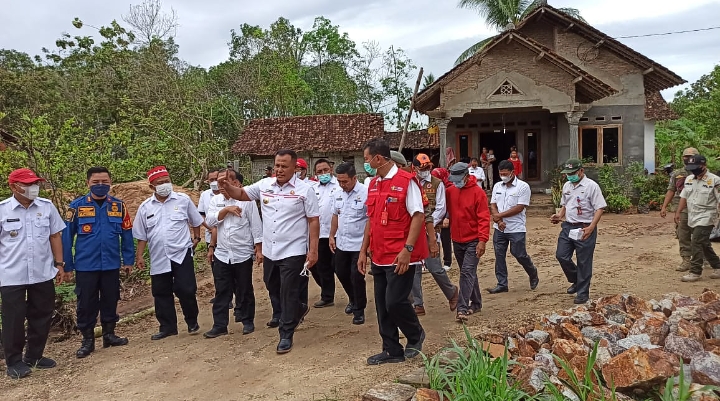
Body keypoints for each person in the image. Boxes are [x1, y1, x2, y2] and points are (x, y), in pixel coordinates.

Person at [218, 149, 319, 354]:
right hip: (271, 248)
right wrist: (226, 185)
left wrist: (313, 250)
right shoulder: (265, 185)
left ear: (294, 168)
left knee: (288, 290)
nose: (279, 170)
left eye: (284, 166)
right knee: (271, 284)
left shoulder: (304, 190)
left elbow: (313, 220)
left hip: (294, 248)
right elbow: (242, 194)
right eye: (277, 165)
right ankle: (298, 308)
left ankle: (286, 332)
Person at [358, 138, 427, 365]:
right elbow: (372, 219)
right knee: (381, 305)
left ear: (378, 158)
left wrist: (408, 249)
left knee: (394, 302)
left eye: (367, 159)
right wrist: (363, 249)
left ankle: (415, 335)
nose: (365, 164)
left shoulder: (407, 182)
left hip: (400, 255)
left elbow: (418, 215)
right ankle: (391, 350)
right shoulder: (374, 184)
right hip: (379, 254)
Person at [1, 168, 68, 379]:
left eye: (35, 183)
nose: (33, 188)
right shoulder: (3, 210)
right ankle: (14, 361)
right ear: (14, 186)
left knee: (41, 314)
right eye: (28, 184)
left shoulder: (46, 207)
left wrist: (59, 264)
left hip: (42, 272)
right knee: (14, 318)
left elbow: (55, 236)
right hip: (11, 274)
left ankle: (35, 355)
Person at [62, 167, 135, 359]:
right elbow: (66, 238)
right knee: (86, 303)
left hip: (111, 264)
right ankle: (87, 340)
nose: (101, 185)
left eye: (104, 182)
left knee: (111, 299)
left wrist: (128, 260)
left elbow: (127, 234)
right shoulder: (75, 206)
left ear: (110, 182)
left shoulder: (119, 206)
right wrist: (66, 266)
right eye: (96, 182)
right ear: (88, 183)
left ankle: (109, 334)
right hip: (86, 266)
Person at [133, 166, 204, 340]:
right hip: (159, 256)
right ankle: (167, 327)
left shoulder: (183, 200)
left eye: (167, 181)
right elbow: (141, 235)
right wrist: (140, 255)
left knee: (186, 289)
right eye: (160, 183)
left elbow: (195, 220)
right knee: (161, 292)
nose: (165, 185)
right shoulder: (145, 207)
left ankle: (192, 321)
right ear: (151, 187)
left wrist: (196, 237)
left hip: (181, 253)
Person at [204, 169, 263, 337]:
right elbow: (209, 221)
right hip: (222, 253)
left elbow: (256, 226)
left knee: (244, 288)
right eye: (219, 181)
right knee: (222, 290)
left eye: (226, 181)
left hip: (242, 253)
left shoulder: (247, 201)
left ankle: (247, 320)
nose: (221, 185)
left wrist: (259, 249)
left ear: (236, 183)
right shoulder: (215, 200)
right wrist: (226, 210)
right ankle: (220, 325)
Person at [550, 158, 606, 304]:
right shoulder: (567, 185)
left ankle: (582, 293)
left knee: (584, 261)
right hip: (568, 226)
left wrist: (592, 226)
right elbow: (565, 204)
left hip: (585, 226)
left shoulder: (591, 186)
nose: (570, 176)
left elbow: (600, 208)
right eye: (568, 173)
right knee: (561, 255)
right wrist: (559, 215)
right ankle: (576, 279)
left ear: (581, 171)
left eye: (573, 173)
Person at [410, 154, 459, 316]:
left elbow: (441, 208)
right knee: (414, 269)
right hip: (412, 232)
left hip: (431, 231)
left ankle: (452, 293)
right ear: (414, 167)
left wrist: (425, 225)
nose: (425, 171)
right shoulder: (411, 183)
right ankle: (418, 304)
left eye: (428, 168)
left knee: (434, 267)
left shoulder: (437, 184)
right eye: (422, 168)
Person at [445, 163, 490, 322]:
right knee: (468, 272)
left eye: (458, 179)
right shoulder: (450, 191)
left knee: (466, 272)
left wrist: (482, 240)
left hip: (473, 240)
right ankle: (476, 303)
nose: (456, 182)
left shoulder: (478, 193)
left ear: (466, 176)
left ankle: (462, 308)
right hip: (456, 239)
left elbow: (484, 218)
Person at [488, 160, 539, 294]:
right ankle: (502, 283)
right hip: (499, 228)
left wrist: (499, 215)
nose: (503, 176)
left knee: (519, 253)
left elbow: (519, 207)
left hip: (516, 228)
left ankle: (532, 272)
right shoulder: (497, 186)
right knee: (499, 255)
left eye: (505, 174)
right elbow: (493, 204)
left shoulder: (523, 187)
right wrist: (498, 220)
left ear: (512, 172)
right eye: (501, 173)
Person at [329, 162, 368, 325]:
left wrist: (367, 247)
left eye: (345, 181)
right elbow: (335, 215)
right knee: (340, 272)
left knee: (356, 276)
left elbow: (369, 221)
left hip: (359, 244)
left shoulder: (365, 193)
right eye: (339, 181)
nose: (342, 185)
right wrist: (332, 235)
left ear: (354, 178)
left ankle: (359, 309)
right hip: (342, 242)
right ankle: (352, 298)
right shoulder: (338, 193)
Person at [660, 147, 708, 271]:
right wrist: (664, 206)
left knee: (700, 234)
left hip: (700, 207)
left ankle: (703, 258)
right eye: (685, 156)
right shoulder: (677, 174)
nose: (687, 159)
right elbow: (671, 190)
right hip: (682, 209)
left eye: (690, 156)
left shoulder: (704, 172)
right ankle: (686, 260)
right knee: (683, 234)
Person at [675, 155, 720, 282]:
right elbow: (684, 197)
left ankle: (695, 271)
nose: (693, 170)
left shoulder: (715, 181)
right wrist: (678, 212)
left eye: (695, 167)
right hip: (692, 216)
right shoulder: (689, 179)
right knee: (704, 243)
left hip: (708, 216)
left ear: (703, 166)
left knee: (696, 241)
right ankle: (718, 266)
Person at [311, 159, 342, 308]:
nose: (323, 174)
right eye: (319, 172)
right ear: (315, 174)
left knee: (340, 266)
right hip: (320, 234)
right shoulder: (312, 188)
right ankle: (327, 296)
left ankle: (354, 295)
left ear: (331, 169)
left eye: (325, 170)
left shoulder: (339, 186)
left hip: (337, 233)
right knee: (322, 267)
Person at [431, 168, 453, 271]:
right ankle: (435, 261)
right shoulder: (434, 186)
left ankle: (447, 262)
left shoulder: (449, 188)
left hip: (446, 216)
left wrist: (447, 217)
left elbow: (450, 204)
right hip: (435, 214)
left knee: (445, 239)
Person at [197, 169, 221, 245]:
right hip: (210, 235)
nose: (214, 181)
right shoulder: (204, 195)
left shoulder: (228, 193)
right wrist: (211, 228)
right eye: (211, 180)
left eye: (216, 179)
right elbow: (201, 215)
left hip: (227, 235)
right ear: (208, 181)